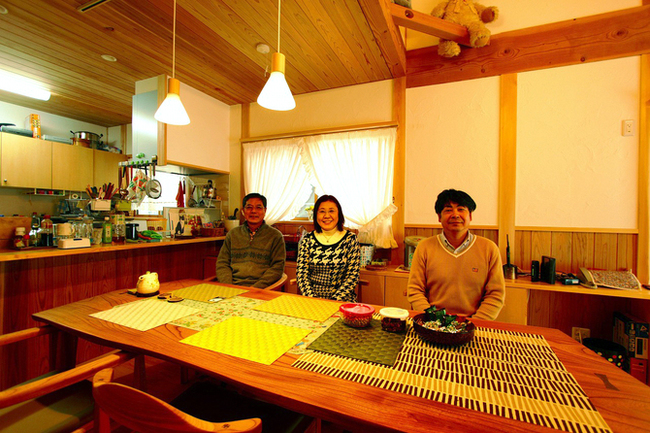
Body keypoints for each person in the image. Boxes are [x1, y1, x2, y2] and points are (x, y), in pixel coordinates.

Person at [407, 189, 505, 320]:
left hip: (473, 324)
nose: (455, 215)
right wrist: (433, 320)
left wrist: (474, 323)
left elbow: (495, 294)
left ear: (470, 216)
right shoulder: (424, 247)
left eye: (461, 209)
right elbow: (415, 290)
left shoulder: (489, 248)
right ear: (439, 217)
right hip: (433, 323)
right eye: (448, 210)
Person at [297, 195, 361, 302]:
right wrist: (312, 299)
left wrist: (333, 301)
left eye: (331, 211)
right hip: (311, 302)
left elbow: (352, 276)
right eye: (322, 211)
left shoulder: (350, 239)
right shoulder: (308, 239)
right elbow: (302, 274)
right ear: (316, 215)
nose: (327, 216)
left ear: (339, 214)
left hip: (342, 301)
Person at [215, 193, 285, 288]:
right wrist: (229, 286)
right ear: (243, 211)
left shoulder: (275, 236)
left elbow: (277, 268)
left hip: (262, 289)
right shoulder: (233, 234)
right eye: (249, 207)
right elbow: (222, 263)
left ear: (265, 211)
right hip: (232, 287)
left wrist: (255, 289)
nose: (253, 211)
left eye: (258, 207)